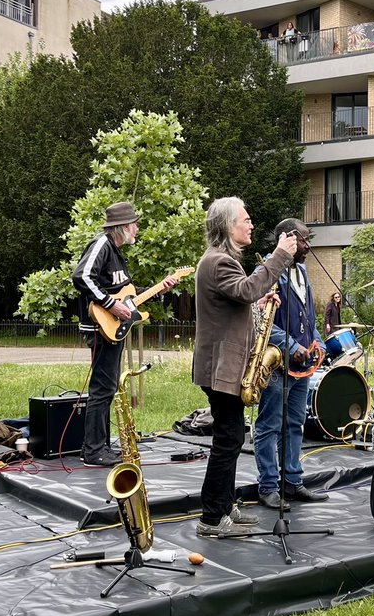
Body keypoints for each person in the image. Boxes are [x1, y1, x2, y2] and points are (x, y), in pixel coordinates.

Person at [192, 197, 297, 537]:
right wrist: (279, 255)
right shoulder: (218, 261)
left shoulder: (221, 261)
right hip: (221, 368)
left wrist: (260, 300)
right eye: (246, 219)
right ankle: (211, 518)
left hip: (226, 366)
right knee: (228, 439)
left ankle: (224, 506)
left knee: (233, 437)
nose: (251, 225)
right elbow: (248, 287)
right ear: (227, 226)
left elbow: (240, 298)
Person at [72, 201, 176, 467]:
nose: (138, 230)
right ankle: (93, 450)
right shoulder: (101, 245)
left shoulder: (116, 253)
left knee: (106, 389)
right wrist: (109, 305)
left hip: (111, 328)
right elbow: (82, 276)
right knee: (101, 389)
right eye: (135, 225)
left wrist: (157, 289)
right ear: (123, 227)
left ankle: (100, 447)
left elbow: (123, 292)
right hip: (100, 327)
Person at [253, 219, 328, 510]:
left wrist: (317, 340)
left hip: (301, 365)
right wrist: (292, 346)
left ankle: (293, 482)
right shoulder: (266, 271)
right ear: (287, 238)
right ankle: (268, 486)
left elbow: (308, 316)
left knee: (295, 424)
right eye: (304, 240)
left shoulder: (303, 271)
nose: (308, 245)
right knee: (269, 426)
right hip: (277, 365)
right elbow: (260, 319)